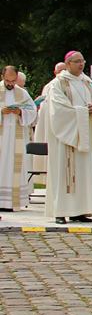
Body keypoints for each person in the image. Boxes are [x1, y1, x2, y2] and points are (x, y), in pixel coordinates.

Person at [46, 51, 92, 225]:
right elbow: (58, 110)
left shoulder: (86, 83)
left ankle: (79, 211)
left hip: (83, 136)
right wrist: (84, 111)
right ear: (68, 63)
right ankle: (61, 211)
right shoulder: (58, 83)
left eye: (82, 61)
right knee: (64, 174)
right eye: (77, 61)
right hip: (66, 137)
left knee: (84, 173)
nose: (81, 64)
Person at [1, 65, 37, 211]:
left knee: (14, 167)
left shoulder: (22, 93)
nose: (10, 84)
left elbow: (33, 111)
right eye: (7, 80)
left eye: (13, 80)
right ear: (2, 77)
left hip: (16, 137)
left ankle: (12, 202)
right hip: (1, 138)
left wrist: (20, 111)